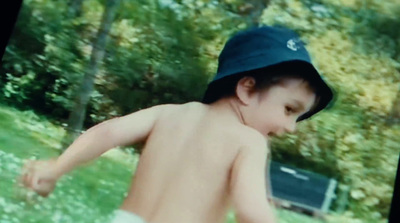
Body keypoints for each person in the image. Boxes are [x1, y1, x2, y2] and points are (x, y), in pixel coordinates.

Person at [19, 25, 334, 223]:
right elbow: (251, 212)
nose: (291, 127)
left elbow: (108, 131)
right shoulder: (249, 142)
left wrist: (54, 168)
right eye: (289, 109)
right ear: (247, 89)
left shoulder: (169, 113)